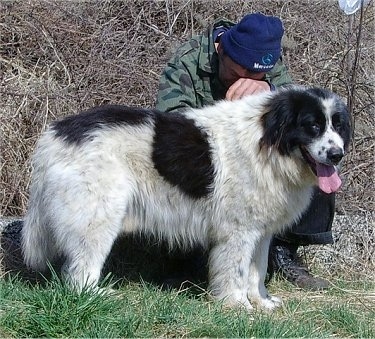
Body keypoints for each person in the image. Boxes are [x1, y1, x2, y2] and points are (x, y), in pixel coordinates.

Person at [155, 13, 334, 290]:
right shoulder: (187, 62)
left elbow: (299, 114)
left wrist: (269, 90)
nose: (246, 80)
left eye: (255, 74)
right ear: (222, 50)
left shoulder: (267, 64)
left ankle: (282, 252)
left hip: (255, 161)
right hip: (206, 158)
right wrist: (228, 117)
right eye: (238, 72)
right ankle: (189, 261)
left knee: (316, 162)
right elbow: (172, 128)